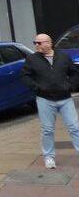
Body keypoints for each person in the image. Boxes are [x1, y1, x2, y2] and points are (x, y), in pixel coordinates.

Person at [21, 34, 79, 169]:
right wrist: (38, 88)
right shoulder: (32, 59)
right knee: (47, 130)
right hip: (45, 99)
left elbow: (74, 73)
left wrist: (70, 86)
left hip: (65, 99)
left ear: (48, 43)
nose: (36, 45)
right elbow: (25, 76)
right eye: (35, 42)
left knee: (74, 127)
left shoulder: (63, 57)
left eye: (39, 43)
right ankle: (49, 157)